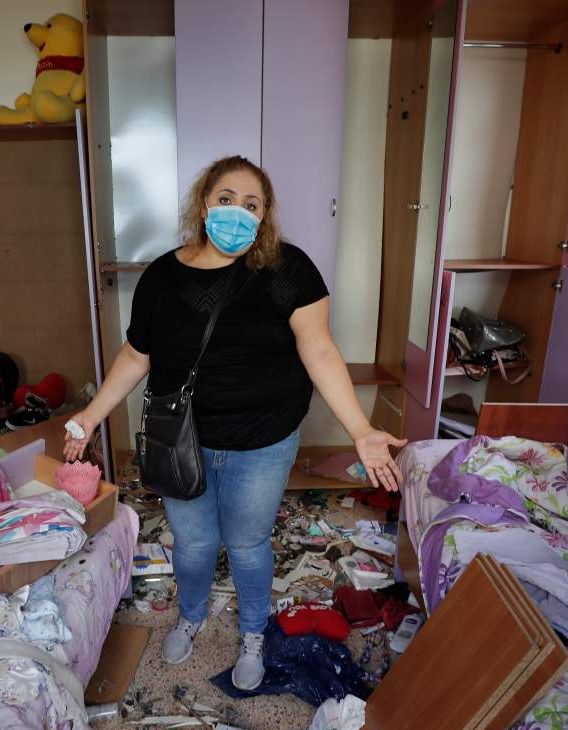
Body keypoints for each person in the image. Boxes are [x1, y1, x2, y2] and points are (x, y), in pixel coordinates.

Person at [64, 155, 405, 690]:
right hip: (182, 441)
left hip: (263, 440)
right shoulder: (161, 277)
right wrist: (88, 416)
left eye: (252, 205)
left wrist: (361, 430)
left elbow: (318, 349)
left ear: (264, 215)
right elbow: (136, 356)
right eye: (226, 199)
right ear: (204, 205)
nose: (237, 213)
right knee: (193, 543)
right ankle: (191, 616)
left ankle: (251, 632)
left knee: (247, 544)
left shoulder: (288, 270)